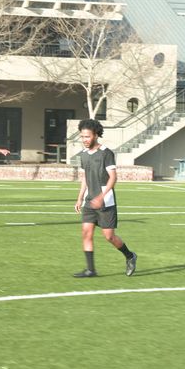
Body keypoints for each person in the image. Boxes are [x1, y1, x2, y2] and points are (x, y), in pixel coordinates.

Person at [72, 119, 137, 278]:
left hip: (105, 202)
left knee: (109, 237)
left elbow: (113, 178)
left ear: (95, 135)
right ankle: (91, 270)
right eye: (82, 136)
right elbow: (85, 178)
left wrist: (101, 197)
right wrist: (79, 198)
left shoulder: (106, 153)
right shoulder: (83, 155)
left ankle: (130, 256)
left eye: (87, 136)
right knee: (86, 233)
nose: (84, 139)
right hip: (89, 201)